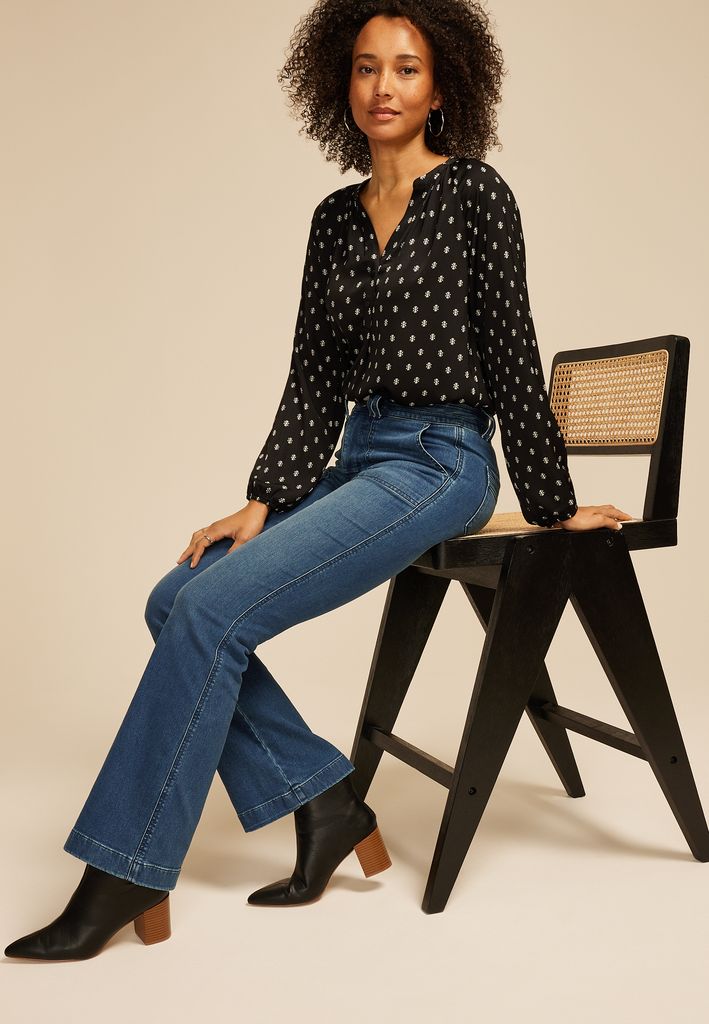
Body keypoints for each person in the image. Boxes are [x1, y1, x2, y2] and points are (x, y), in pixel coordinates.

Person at [5, 0, 631, 962]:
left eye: (407, 68)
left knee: (210, 614)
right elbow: (312, 379)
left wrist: (548, 507)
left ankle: (124, 868)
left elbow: (514, 351)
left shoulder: (474, 195)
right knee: (176, 595)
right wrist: (266, 497)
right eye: (366, 67)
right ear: (339, 81)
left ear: (442, 86)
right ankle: (326, 802)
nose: (384, 86)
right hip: (361, 457)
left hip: (442, 461)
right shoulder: (334, 220)